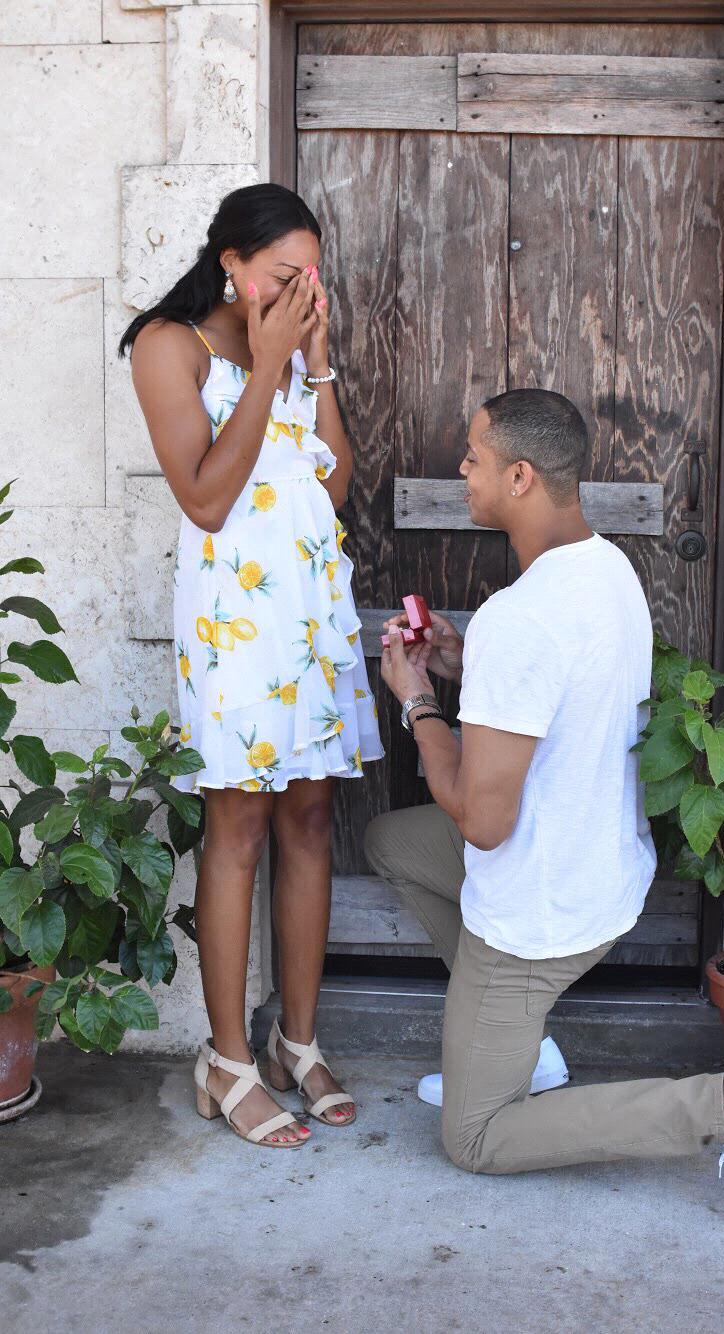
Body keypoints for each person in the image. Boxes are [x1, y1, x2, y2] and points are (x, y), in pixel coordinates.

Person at [365, 388, 724, 1229]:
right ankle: (525, 1052)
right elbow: (555, 707)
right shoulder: (604, 569)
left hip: (541, 911)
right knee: (392, 842)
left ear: (520, 476)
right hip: (599, 870)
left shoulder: (522, 617)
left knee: (476, 1136)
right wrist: (466, 665)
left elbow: (483, 821)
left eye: (474, 459)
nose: (462, 470)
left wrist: (417, 701)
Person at [121, 183, 383, 1147]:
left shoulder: (289, 351)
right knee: (236, 824)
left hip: (308, 613)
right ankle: (226, 1058)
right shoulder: (170, 346)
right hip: (235, 627)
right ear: (232, 263)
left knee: (311, 814)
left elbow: (334, 485)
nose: (300, 288)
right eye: (284, 274)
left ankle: (297, 1043)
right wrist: (268, 364)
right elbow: (204, 499)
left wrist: (311, 368)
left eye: (311, 276)